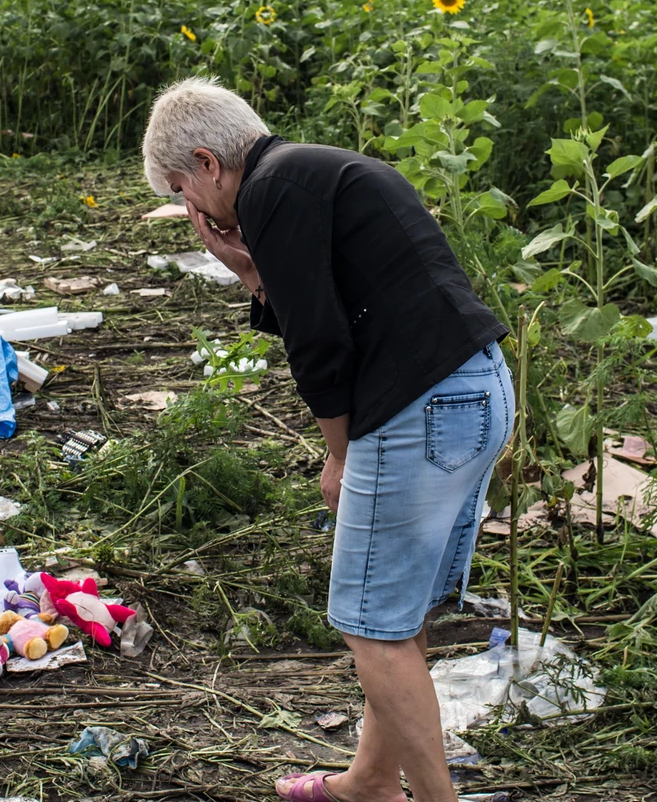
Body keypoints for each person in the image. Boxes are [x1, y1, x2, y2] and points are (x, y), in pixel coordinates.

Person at [142, 78, 512, 802]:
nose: (193, 210)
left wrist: (340, 455)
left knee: (370, 624)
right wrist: (250, 270)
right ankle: (370, 781)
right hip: (475, 388)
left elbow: (319, 344)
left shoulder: (270, 192)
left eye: (185, 188)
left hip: (420, 404)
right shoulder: (313, 170)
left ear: (208, 161)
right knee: (396, 616)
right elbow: (325, 298)